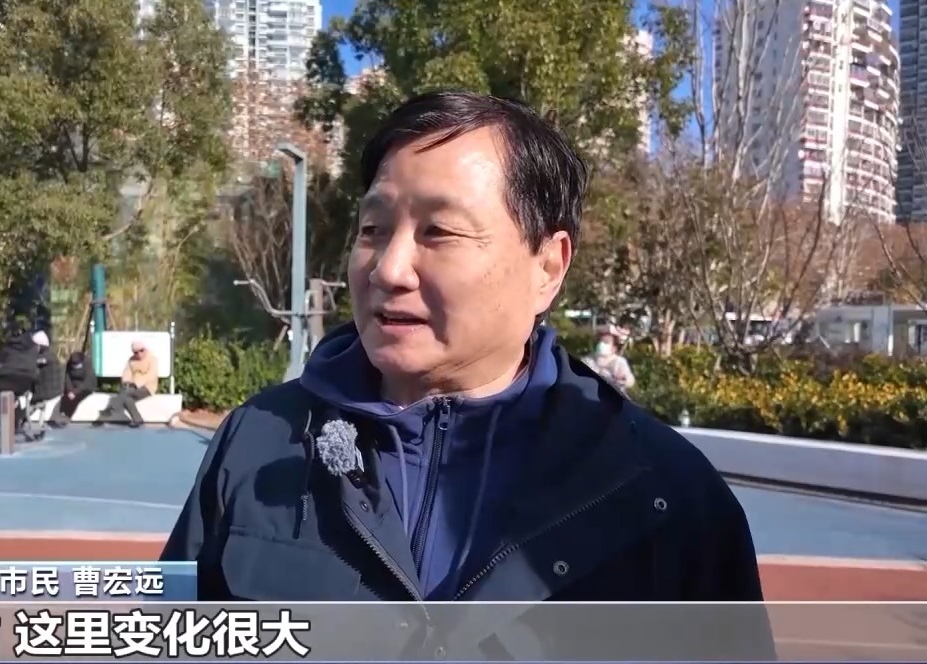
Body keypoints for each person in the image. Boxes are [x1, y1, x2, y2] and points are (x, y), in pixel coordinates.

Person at [162, 92, 768, 618]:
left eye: (439, 232)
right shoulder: (258, 439)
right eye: (372, 230)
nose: (389, 269)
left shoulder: (666, 493)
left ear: (547, 267)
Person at [0, 325, 39, 447]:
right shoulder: (33, 347)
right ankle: (14, 423)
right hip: (24, 380)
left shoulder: (7, 347)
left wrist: (0, 369)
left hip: (5, 379)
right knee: (20, 400)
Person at [96, 341, 157, 428]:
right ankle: (138, 419)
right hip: (132, 387)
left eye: (141, 350)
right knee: (127, 398)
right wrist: (126, 382)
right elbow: (127, 372)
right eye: (136, 352)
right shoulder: (131, 360)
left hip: (147, 387)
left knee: (126, 392)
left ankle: (110, 410)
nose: (139, 354)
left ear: (145, 349)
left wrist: (136, 384)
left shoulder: (152, 359)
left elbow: (151, 375)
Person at [582, 326, 636, 393]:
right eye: (600, 341)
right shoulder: (589, 359)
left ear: (614, 348)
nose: (601, 344)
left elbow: (630, 380)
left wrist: (624, 378)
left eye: (606, 342)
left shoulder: (619, 362)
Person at [53, 351, 96, 427]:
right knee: (66, 397)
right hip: (73, 386)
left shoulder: (87, 365)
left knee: (75, 399)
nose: (74, 367)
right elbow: (67, 378)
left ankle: (68, 416)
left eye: (76, 365)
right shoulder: (69, 364)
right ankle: (62, 413)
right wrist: (70, 390)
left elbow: (87, 382)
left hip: (85, 387)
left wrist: (75, 392)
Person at [31, 331, 64, 426]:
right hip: (54, 390)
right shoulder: (51, 355)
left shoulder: (44, 358)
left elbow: (33, 366)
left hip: (46, 392)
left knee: (22, 398)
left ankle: (16, 421)